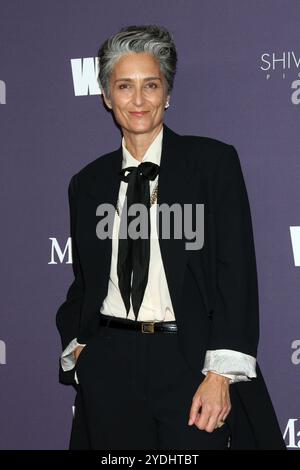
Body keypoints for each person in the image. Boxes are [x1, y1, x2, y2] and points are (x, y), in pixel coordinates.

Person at [56, 24, 286, 450]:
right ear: (107, 96)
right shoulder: (86, 183)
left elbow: (235, 274)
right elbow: (86, 280)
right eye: (124, 86)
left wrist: (220, 374)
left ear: (168, 94)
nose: (138, 100)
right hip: (109, 362)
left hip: (187, 361)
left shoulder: (211, 164)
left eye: (151, 85)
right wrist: (81, 350)